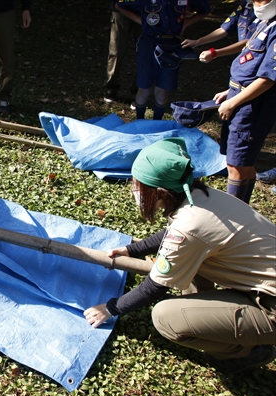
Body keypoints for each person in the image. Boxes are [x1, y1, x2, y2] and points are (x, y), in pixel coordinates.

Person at [84, 138, 276, 374]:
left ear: (159, 192)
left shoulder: (189, 228)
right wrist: (133, 250)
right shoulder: (202, 197)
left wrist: (110, 308)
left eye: (138, 185)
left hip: (270, 305)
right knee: (196, 261)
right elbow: (176, 233)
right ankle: (212, 312)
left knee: (165, 317)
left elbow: (155, 287)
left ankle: (249, 350)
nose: (134, 190)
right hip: (263, 282)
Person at [213, 0, 276, 203]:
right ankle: (242, 210)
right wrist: (229, 91)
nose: (256, 3)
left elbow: (267, 80)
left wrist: (232, 103)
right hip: (241, 97)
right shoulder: (264, 22)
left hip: (252, 107)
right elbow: (250, 63)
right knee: (242, 163)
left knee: (237, 165)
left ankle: (235, 214)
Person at [117, 0, 212, 120]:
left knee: (162, 90)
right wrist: (141, 21)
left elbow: (206, 9)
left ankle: (157, 122)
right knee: (144, 88)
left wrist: (186, 23)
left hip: (172, 45)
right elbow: (120, 6)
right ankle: (139, 120)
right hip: (149, 44)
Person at [182, 0, 256, 63]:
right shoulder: (245, 5)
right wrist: (197, 42)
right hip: (243, 59)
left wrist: (215, 53)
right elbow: (224, 29)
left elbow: (251, 41)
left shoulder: (263, 12)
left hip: (257, 60)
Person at [103, 0, 139, 104]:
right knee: (116, 51)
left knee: (144, 53)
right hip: (121, 7)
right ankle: (111, 89)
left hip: (146, 9)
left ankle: (138, 92)